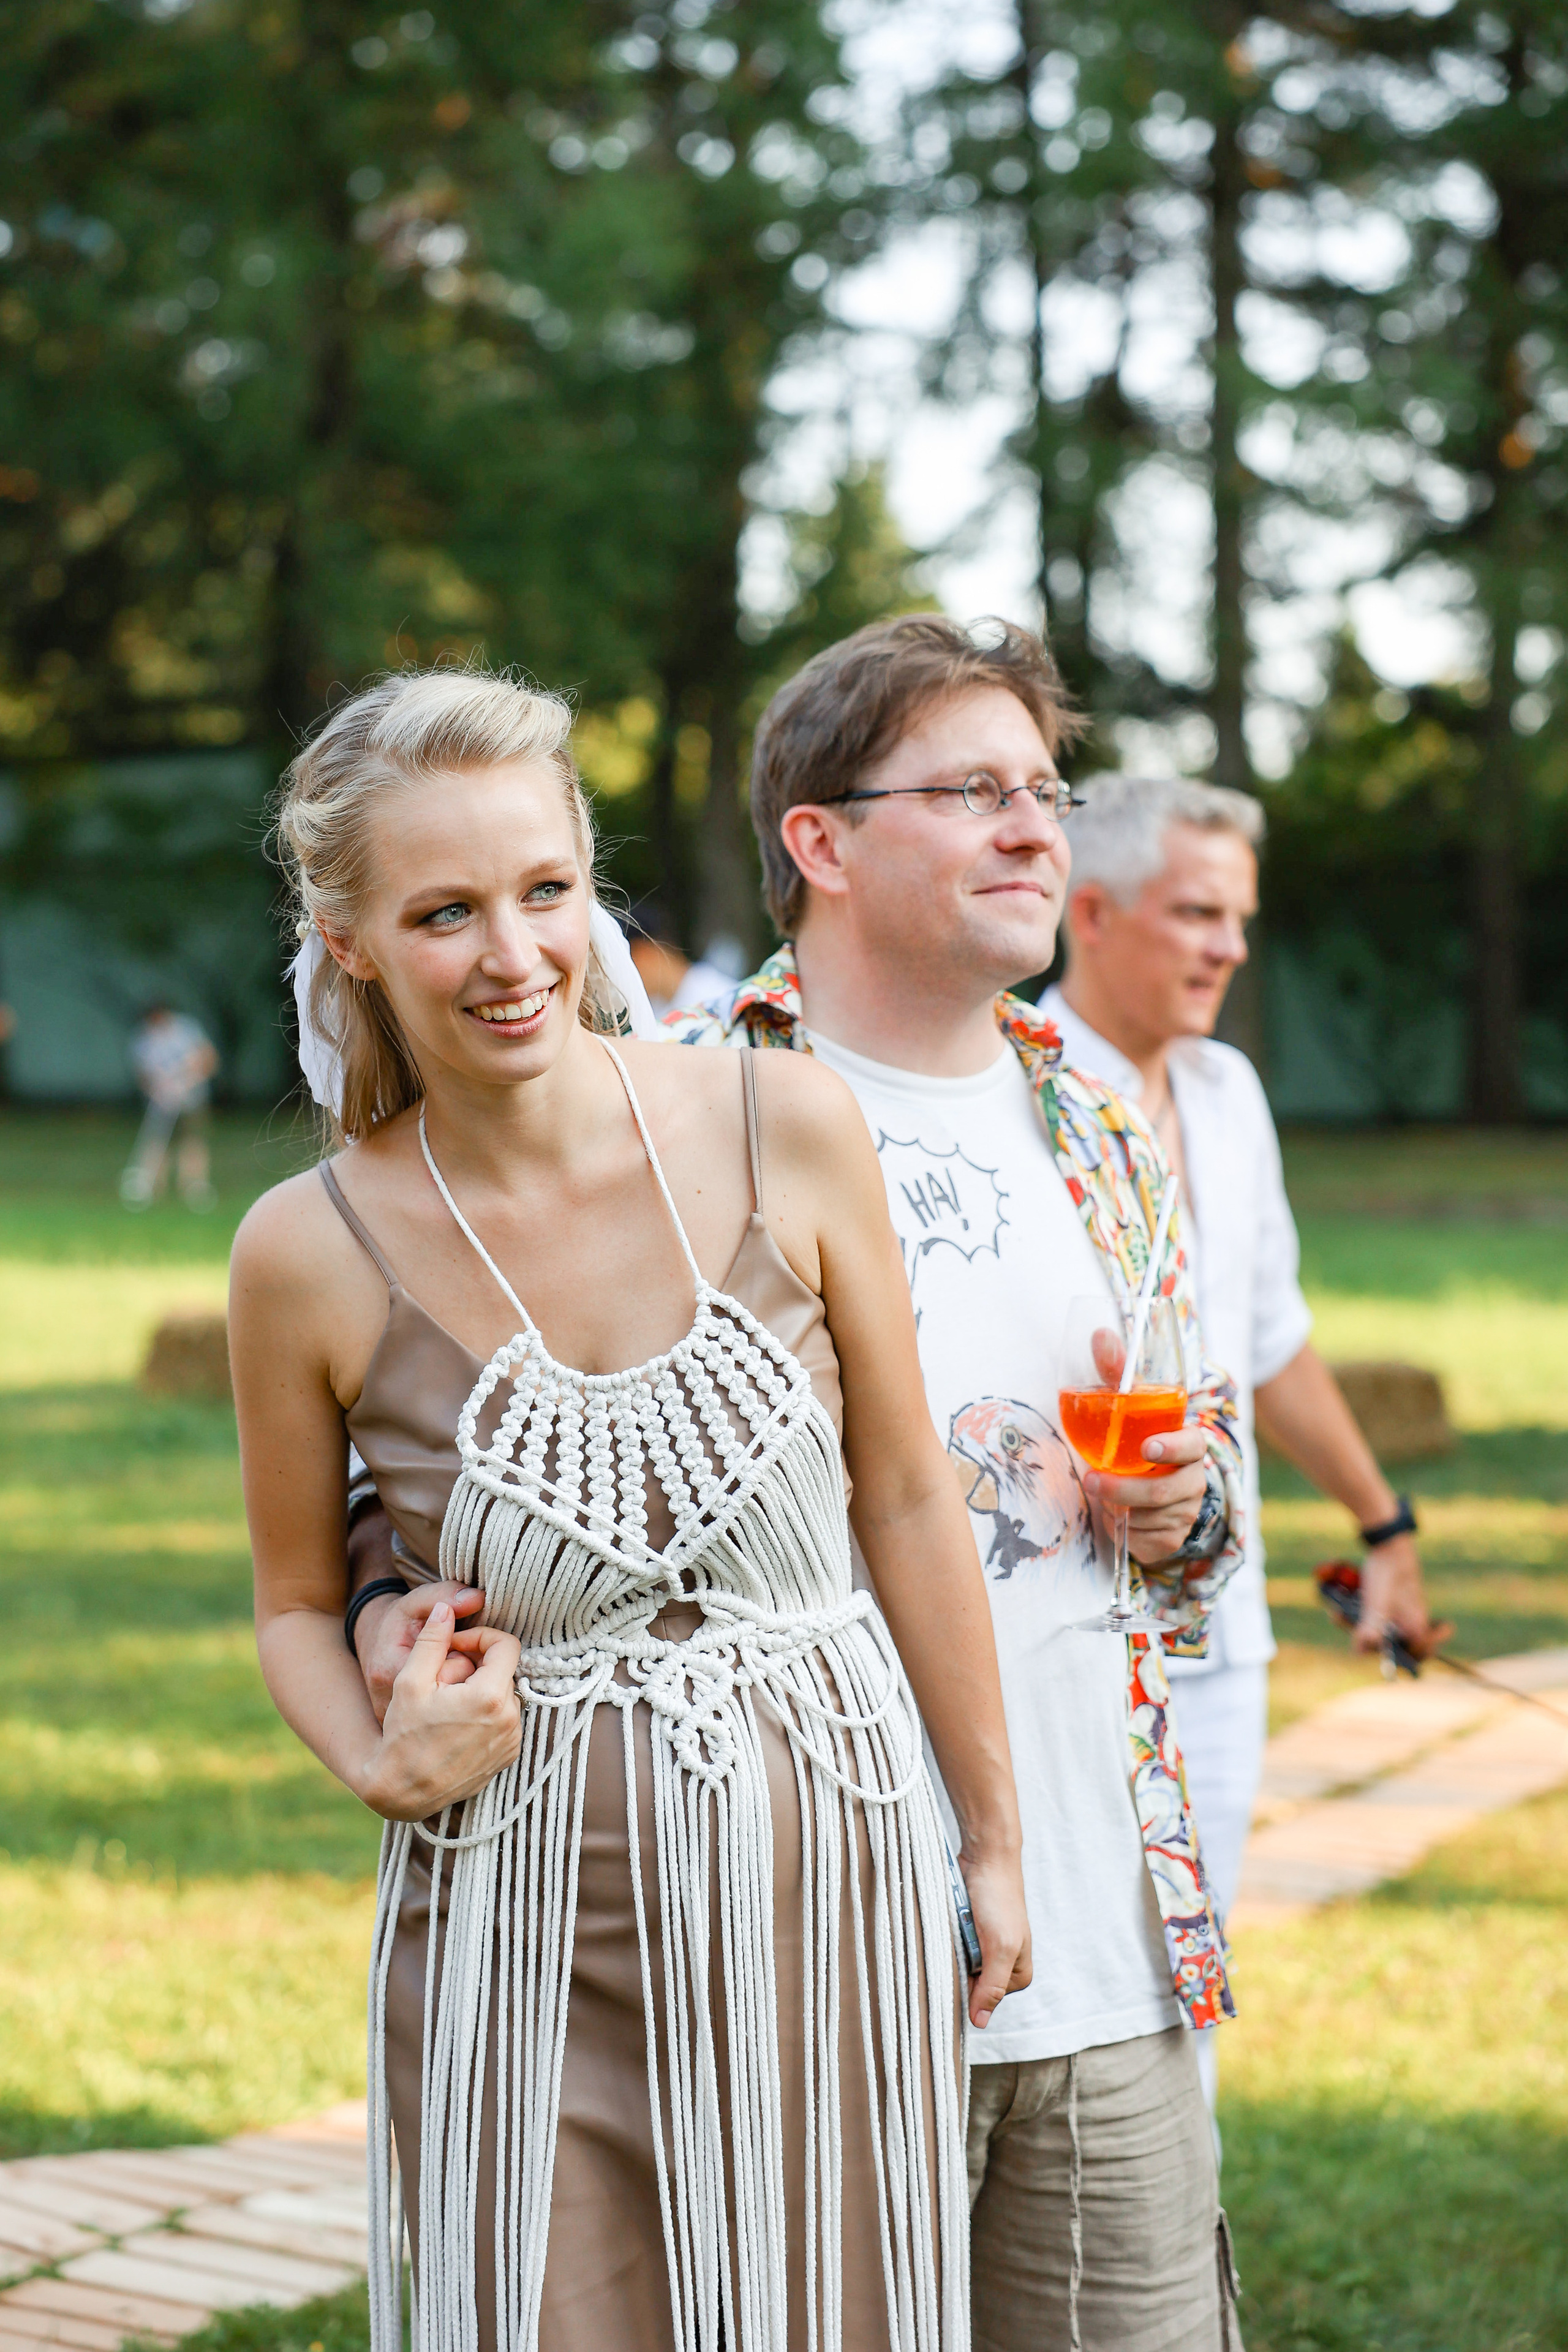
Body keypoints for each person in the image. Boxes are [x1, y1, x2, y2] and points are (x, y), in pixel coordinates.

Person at [229, 668, 1029, 2352]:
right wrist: (376, 1759)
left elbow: (902, 1498)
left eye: (545, 890)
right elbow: (298, 1604)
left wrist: (995, 1836)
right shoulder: (306, 1251)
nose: (515, 956)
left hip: (830, 1879)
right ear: (352, 938)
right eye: (446, 913)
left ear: (592, 879)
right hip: (518, 1919)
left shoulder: (785, 1123)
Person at [662, 618, 1246, 2351]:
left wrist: (1188, 1507)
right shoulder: (690, 1118)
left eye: (1045, 791)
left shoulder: (1102, 1120)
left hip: (1104, 1932)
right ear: (819, 843)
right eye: (973, 790)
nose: (1034, 830)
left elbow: (1200, 1524)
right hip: (806, 1931)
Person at [1041, 774, 1447, 2106]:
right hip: (1053, 1633)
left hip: (1220, 1641)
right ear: (1089, 915)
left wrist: (1382, 1529)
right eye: (1196, 913)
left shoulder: (1224, 1093)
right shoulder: (1007, 1099)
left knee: (1183, 2003)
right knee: (1051, 2000)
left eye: (1238, 919)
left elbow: (1265, 1340)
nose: (1226, 946)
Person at [121, 1001, 218, 1208]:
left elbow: (208, 1059)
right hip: (161, 1103)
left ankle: (194, 1186)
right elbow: (143, 1075)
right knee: (158, 1143)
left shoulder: (187, 1030)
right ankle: (153, 1188)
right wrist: (157, 1092)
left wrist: (189, 1082)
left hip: (192, 1099)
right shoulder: (144, 1039)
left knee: (192, 1142)